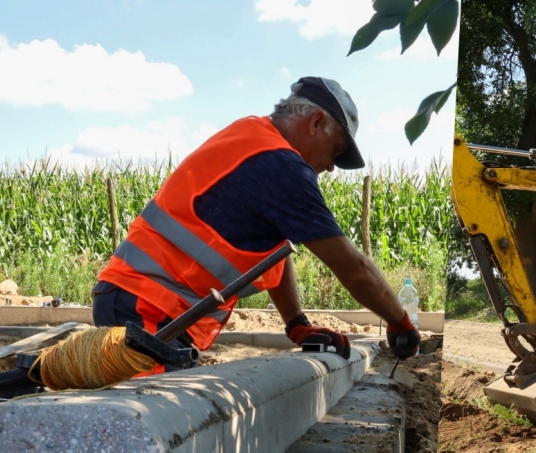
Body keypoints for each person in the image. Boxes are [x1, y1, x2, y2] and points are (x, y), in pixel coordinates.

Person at [91, 77, 421, 369]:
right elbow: (353, 268)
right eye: (335, 151)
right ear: (316, 122)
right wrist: (400, 322)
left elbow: (273, 247)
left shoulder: (251, 135)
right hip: (143, 309)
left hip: (141, 303)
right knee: (151, 426)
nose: (331, 168)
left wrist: (295, 322)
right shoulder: (281, 166)